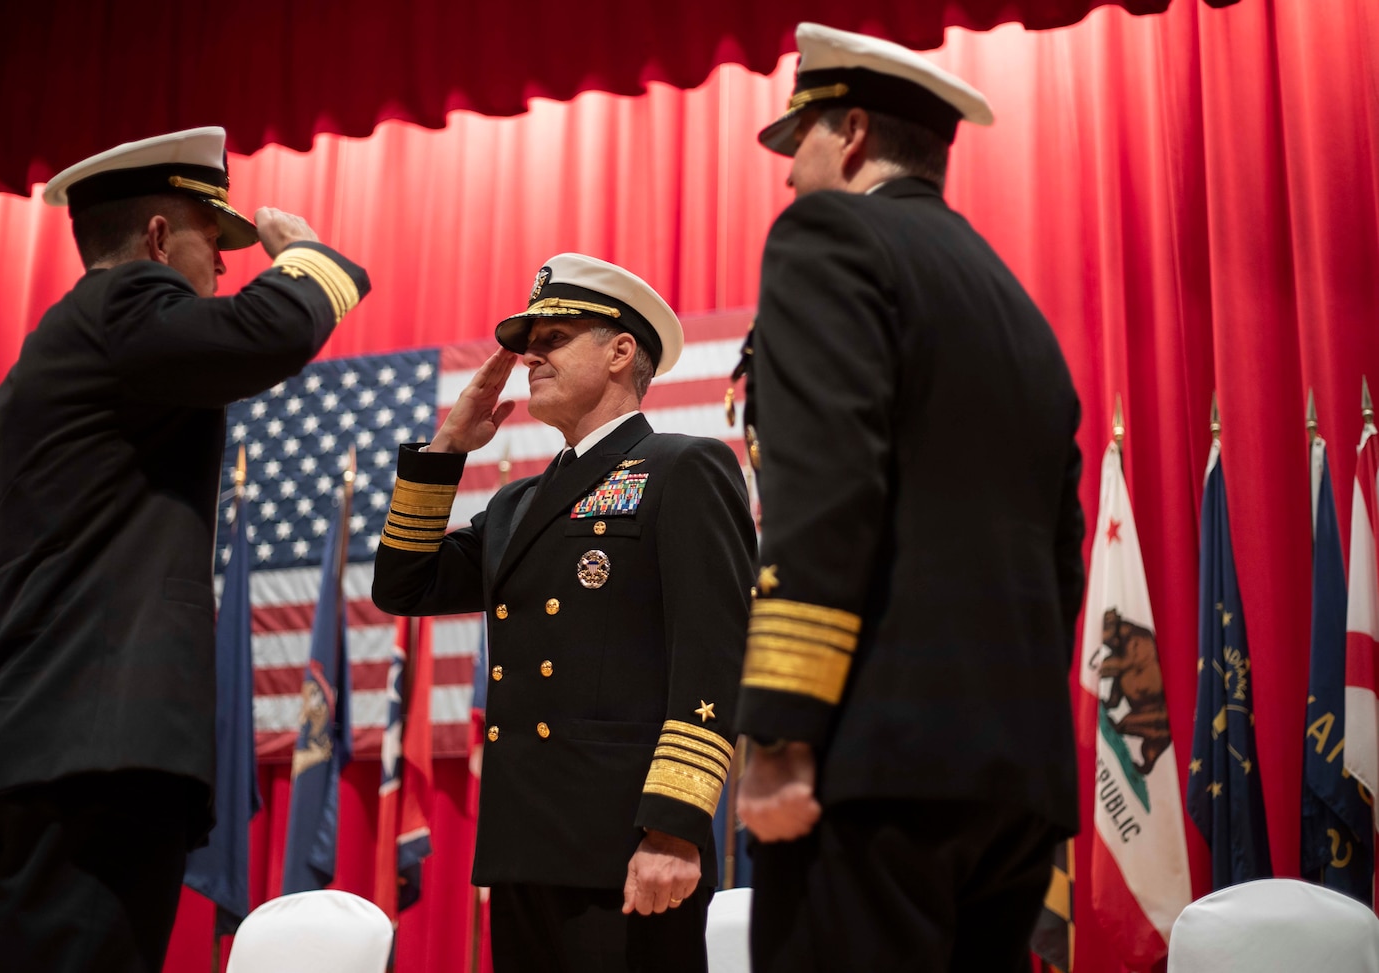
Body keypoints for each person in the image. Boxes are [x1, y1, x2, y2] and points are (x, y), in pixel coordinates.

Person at [0, 126, 370, 973]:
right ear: (159, 240)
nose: (225, 270)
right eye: (216, 244)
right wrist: (312, 257)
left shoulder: (7, 405)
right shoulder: (120, 309)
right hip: (98, 759)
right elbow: (265, 331)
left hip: (18, 762)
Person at [731, 23, 1085, 973]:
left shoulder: (828, 236)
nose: (787, 176)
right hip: (1012, 777)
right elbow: (1061, 555)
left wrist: (780, 726)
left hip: (870, 763)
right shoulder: (1015, 305)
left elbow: (827, 484)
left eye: (796, 141)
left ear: (848, 133)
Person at [372, 253, 755, 973]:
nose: (530, 355)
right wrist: (445, 449)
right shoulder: (520, 502)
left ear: (619, 351)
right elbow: (404, 586)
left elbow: (714, 652)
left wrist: (674, 829)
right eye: (528, 341)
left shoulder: (683, 467)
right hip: (526, 847)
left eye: (554, 337)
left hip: (629, 848)